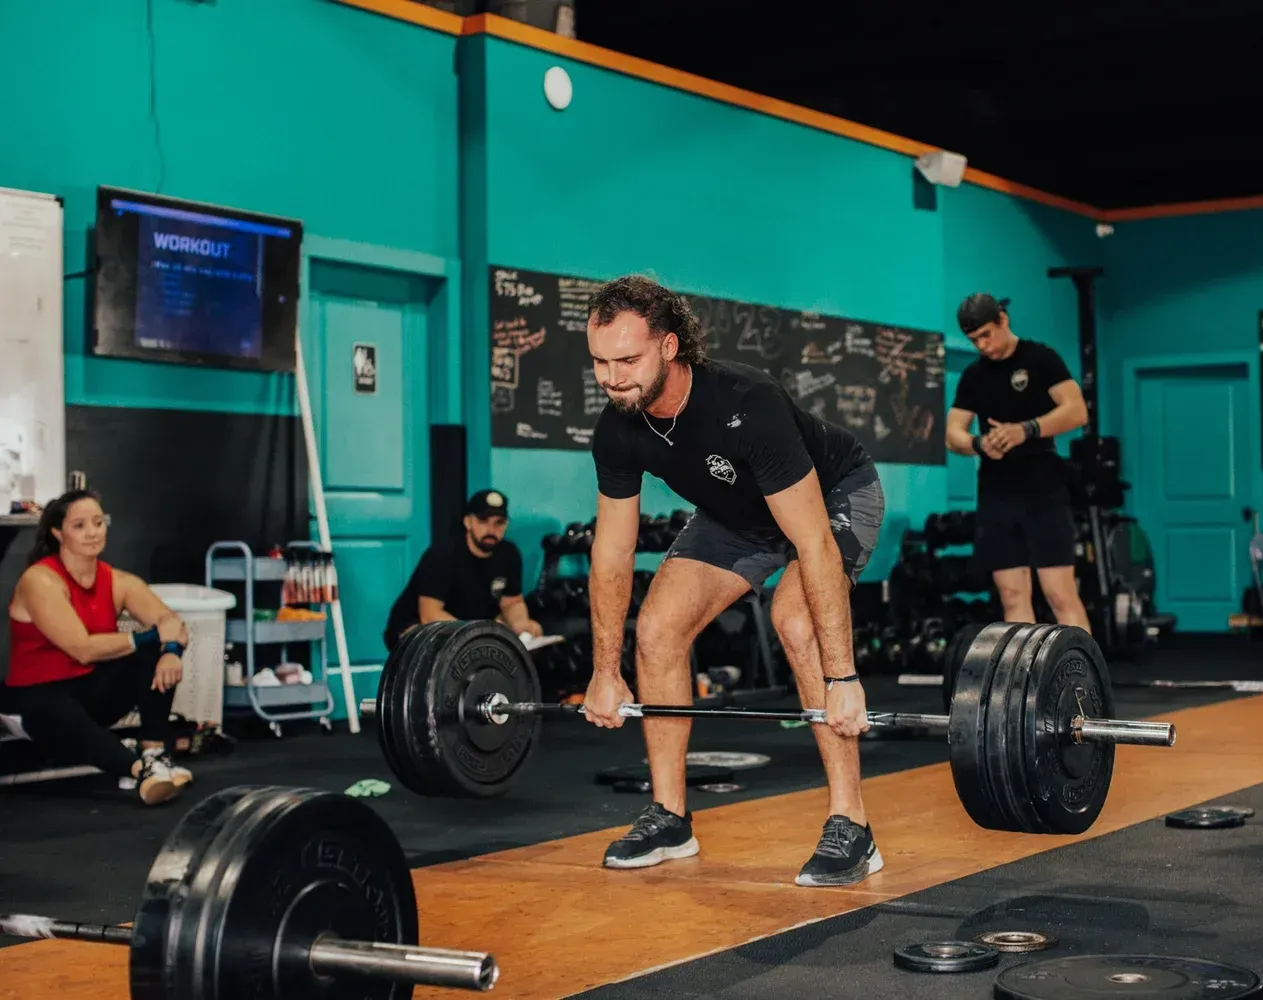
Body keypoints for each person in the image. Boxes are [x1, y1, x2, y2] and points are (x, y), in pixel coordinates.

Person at [582, 275, 886, 888]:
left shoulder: (747, 403)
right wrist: (604, 670)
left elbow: (813, 543)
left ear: (669, 347)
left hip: (829, 498)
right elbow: (612, 553)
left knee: (794, 620)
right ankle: (670, 817)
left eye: (628, 360)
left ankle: (852, 824)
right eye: (599, 362)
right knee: (660, 629)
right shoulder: (617, 427)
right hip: (737, 515)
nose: (613, 378)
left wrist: (844, 678)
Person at [3, 489, 193, 805]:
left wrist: (170, 649)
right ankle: (140, 771)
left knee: (154, 653)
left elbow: (169, 620)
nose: (92, 533)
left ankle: (154, 754)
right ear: (57, 533)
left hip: (87, 693)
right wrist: (152, 636)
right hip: (33, 699)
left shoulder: (120, 581)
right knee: (58, 708)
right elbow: (82, 649)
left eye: (98, 522)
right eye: (79, 526)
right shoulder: (40, 581)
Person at [944, 293, 1091, 628]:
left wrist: (1027, 429)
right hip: (997, 490)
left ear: (1003, 321)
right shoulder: (974, 376)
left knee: (1059, 593)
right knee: (1012, 596)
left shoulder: (1041, 359)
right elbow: (953, 432)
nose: (982, 345)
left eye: (986, 335)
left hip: (1043, 488)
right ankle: (1025, 679)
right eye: (974, 340)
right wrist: (979, 444)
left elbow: (1077, 410)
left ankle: (1084, 678)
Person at [382, 489, 543, 653]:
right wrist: (474, 636)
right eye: (483, 520)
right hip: (415, 627)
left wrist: (522, 626)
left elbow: (511, 602)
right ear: (468, 522)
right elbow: (430, 614)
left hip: (468, 627)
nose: (491, 529)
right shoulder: (442, 555)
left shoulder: (509, 554)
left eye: (499, 522)